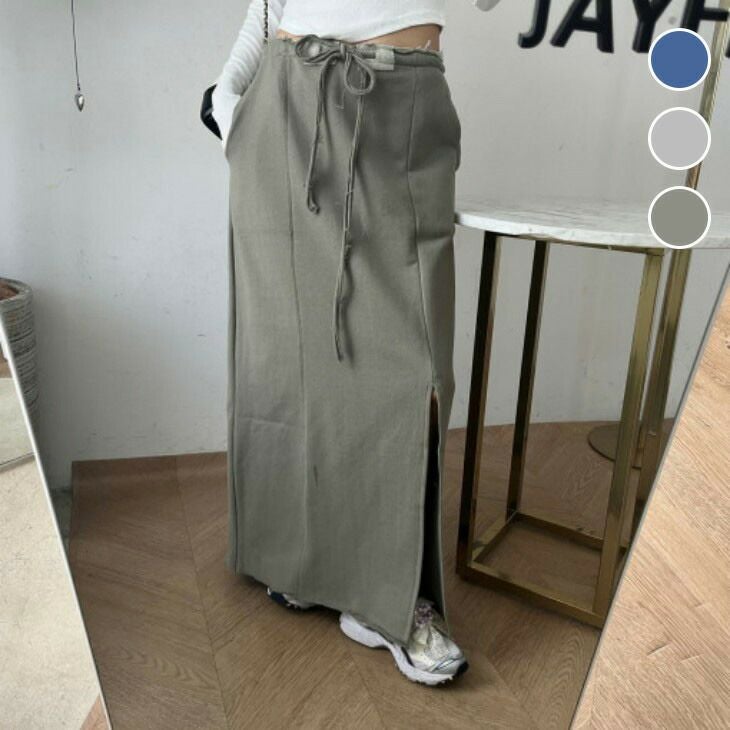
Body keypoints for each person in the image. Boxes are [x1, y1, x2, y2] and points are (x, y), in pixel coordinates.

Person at [210, 0, 501, 686]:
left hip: (405, 100)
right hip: (286, 100)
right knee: (290, 351)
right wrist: (228, 99)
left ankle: (393, 600)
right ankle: (302, 562)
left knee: (414, 364)